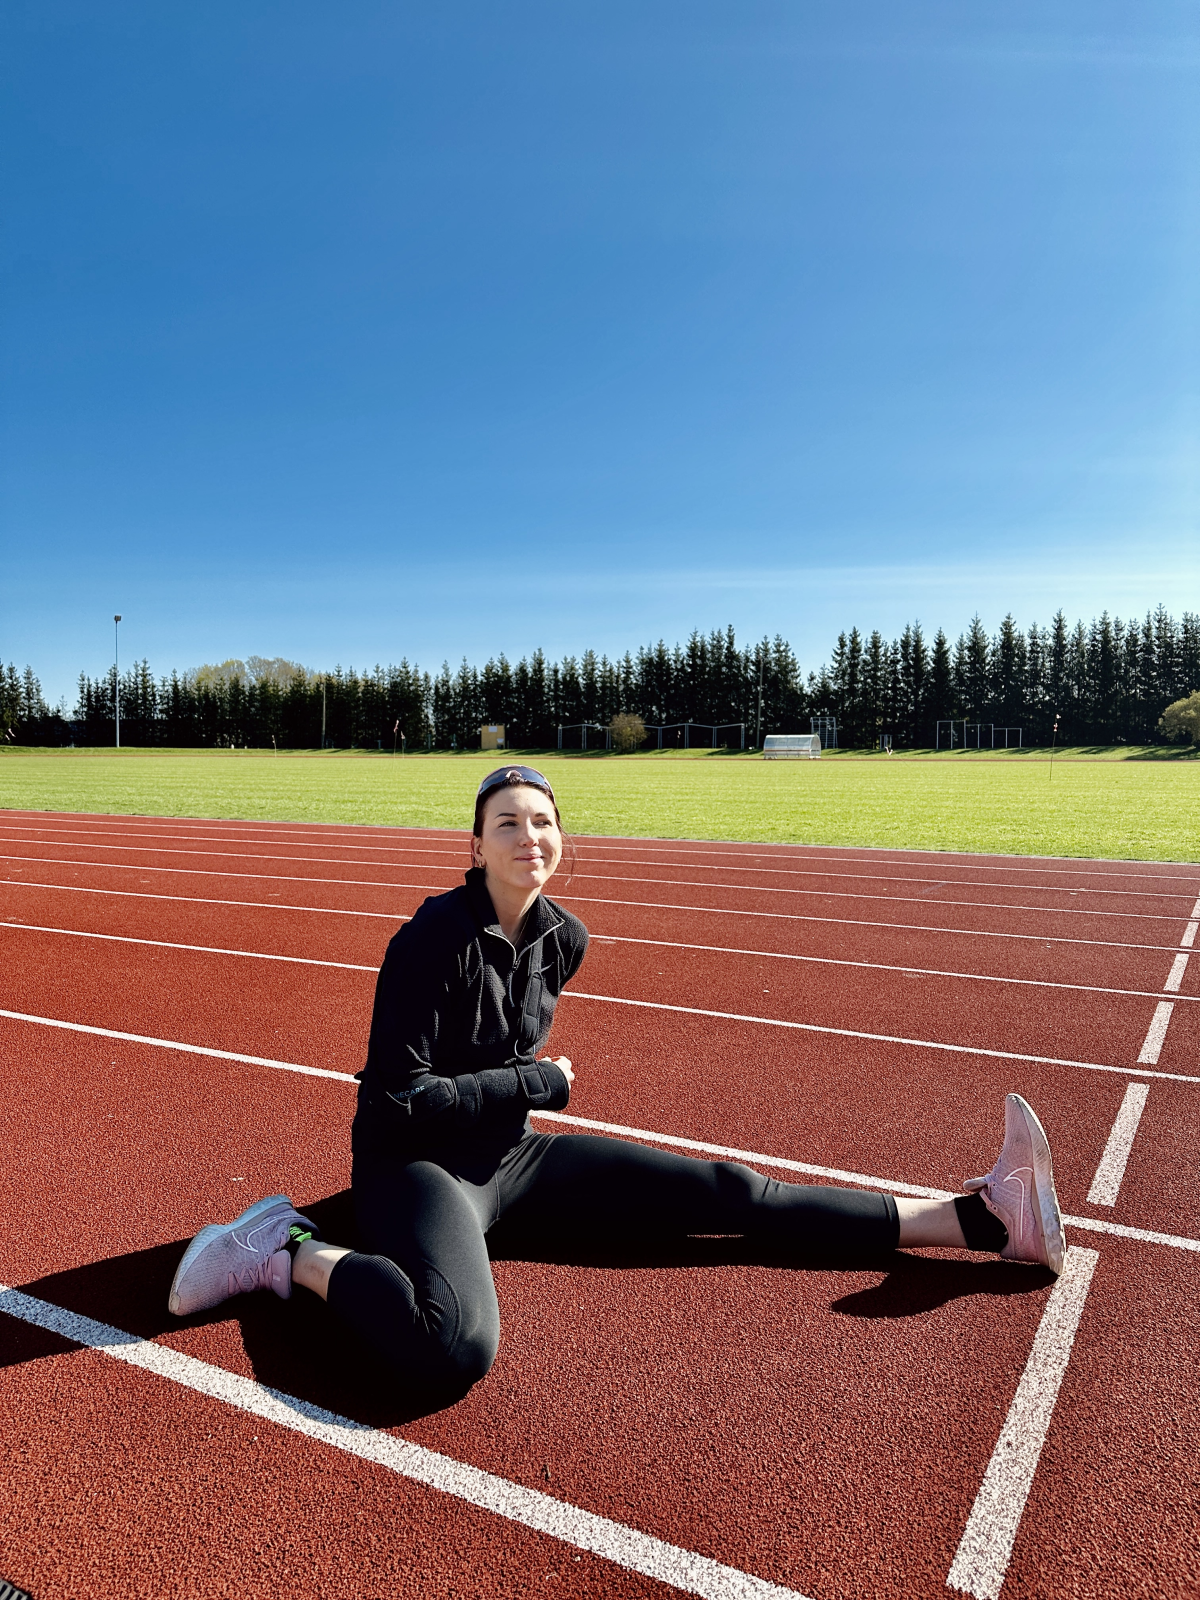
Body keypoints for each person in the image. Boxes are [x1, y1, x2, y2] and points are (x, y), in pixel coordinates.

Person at [169, 764, 1066, 1404]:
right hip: (415, 1166)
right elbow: (397, 1099)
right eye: (508, 823)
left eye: (543, 821)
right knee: (452, 1349)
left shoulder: (565, 938)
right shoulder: (428, 941)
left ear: (563, 840)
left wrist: (524, 1093)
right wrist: (535, 1080)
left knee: (733, 1195)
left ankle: (980, 1218)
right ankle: (285, 1247)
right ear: (474, 845)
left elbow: (505, 1076)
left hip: (510, 1161)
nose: (529, 836)